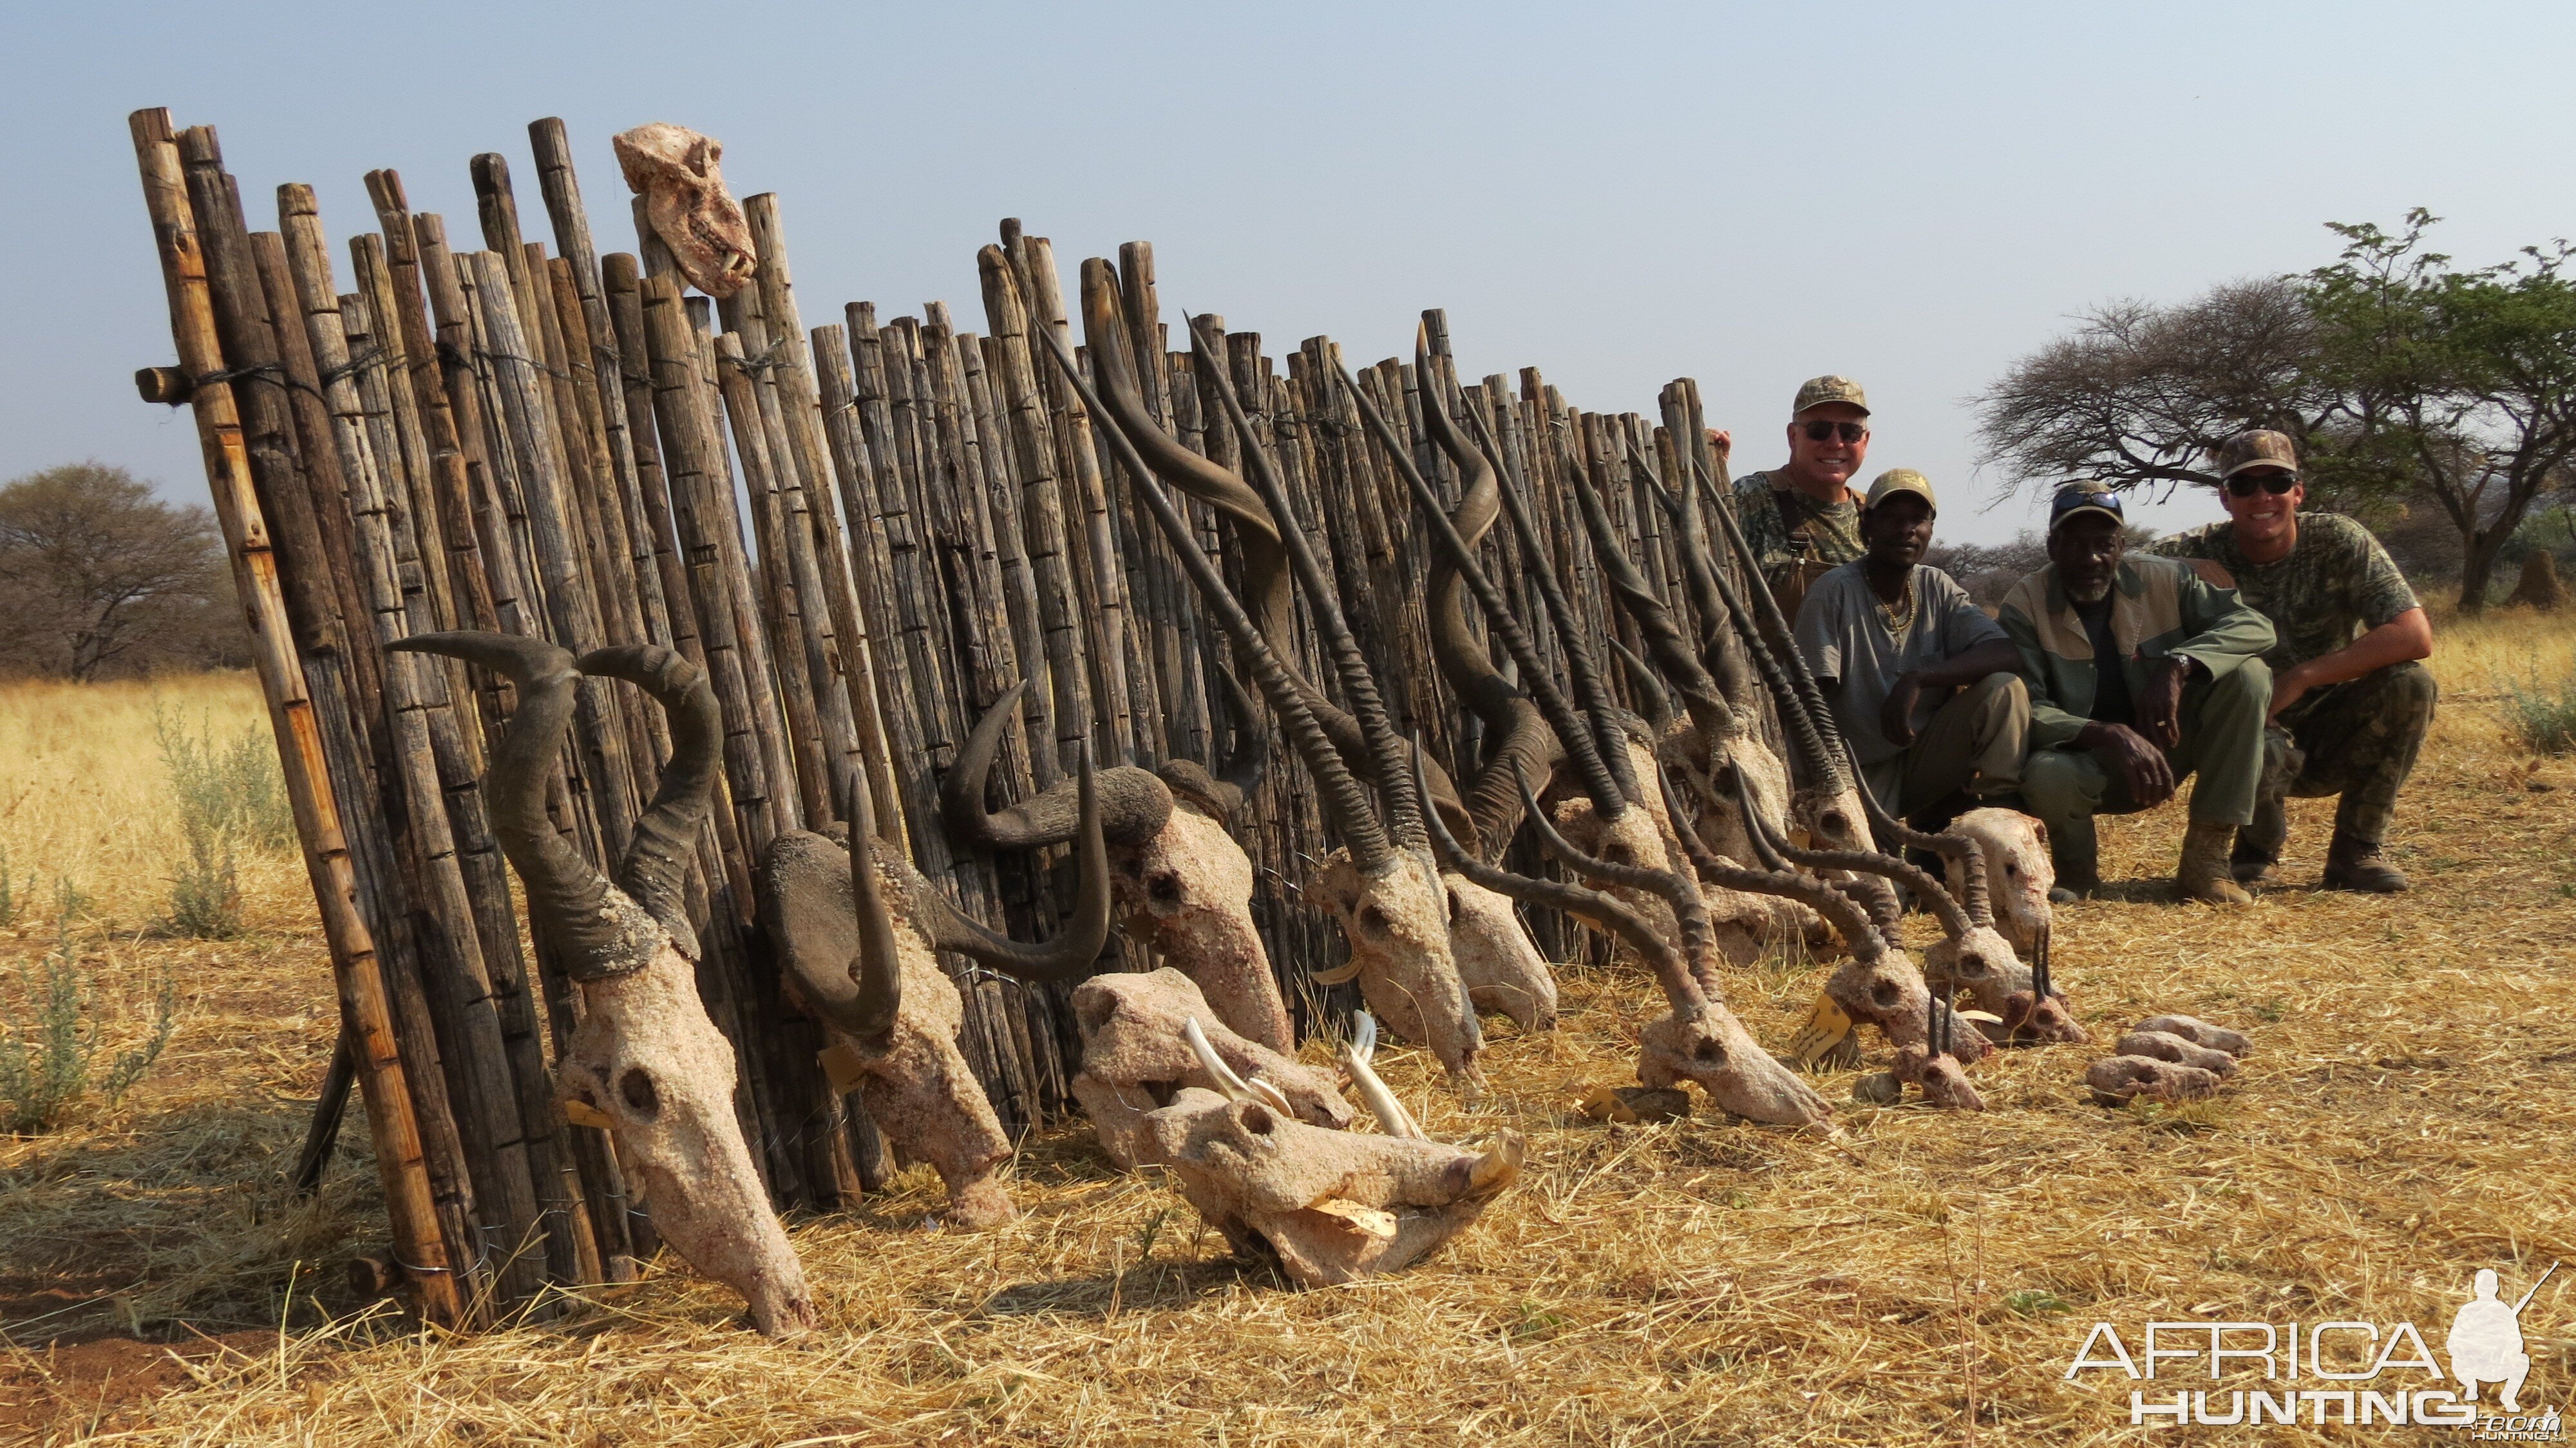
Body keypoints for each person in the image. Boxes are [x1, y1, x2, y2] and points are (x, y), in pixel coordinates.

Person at [2148, 430, 2435, 892]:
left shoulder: (2340, 540)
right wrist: (2180, 569)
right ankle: (2255, 852)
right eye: (2244, 486)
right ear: (2225, 499)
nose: (2262, 497)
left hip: (2329, 722)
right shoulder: (2201, 549)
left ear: (2298, 492)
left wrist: (2303, 677)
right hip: (2250, 725)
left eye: (2277, 483)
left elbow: (2414, 635)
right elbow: (2112, 560)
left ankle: (2355, 851)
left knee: (2411, 684)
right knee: (2249, 729)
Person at [2000, 483, 2277, 904]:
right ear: (2052, 546)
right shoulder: (2025, 603)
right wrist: (2111, 734)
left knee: (2249, 676)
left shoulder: (2166, 579)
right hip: (2089, 762)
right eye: (2075, 544)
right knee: (2047, 772)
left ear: (2122, 546)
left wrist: (2178, 665)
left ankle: (2206, 863)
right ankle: (2076, 873)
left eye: (2103, 544)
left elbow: (2255, 627)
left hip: (2172, 746)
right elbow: (2028, 709)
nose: (2091, 558)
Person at [1793, 469, 2028, 829]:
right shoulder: (1834, 591)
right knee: (1878, 882)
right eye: (1891, 518)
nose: (1906, 530)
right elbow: (1811, 700)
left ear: (1931, 528)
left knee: (2005, 689)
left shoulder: (1937, 586)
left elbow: (2004, 652)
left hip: (1922, 756)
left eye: (1918, 520)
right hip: (1857, 766)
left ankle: (2000, 821)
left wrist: (1918, 679)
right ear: (1867, 524)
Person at [1733, 375, 1870, 615]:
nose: (1836, 443)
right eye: (1820, 430)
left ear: (1865, 441)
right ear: (1793, 436)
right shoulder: (1752, 497)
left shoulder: (1874, 514)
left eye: (1850, 432)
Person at [2447, 1268, 2532, 1413]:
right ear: (2496, 1289)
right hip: (2473, 1365)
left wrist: (2500, 1348)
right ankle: (2472, 1386)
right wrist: (2474, 1347)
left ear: (2476, 1288)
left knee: (2522, 1360)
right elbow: (2453, 1344)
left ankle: (2507, 1398)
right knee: (2522, 1360)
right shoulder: (2472, 1311)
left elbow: (2516, 1344)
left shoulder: (2498, 1311)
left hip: (2495, 1367)